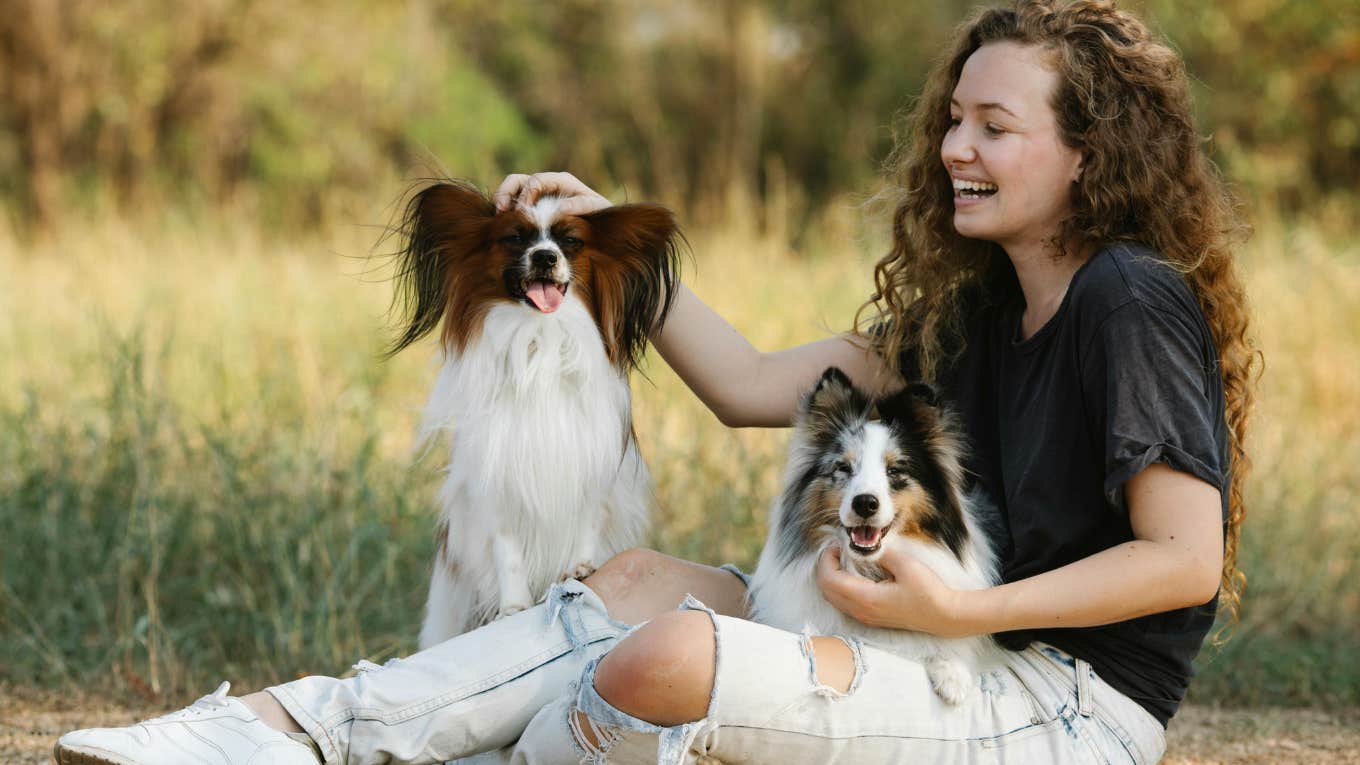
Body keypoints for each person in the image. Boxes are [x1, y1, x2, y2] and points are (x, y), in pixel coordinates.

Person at [55, 1, 1258, 763]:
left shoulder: (1128, 299)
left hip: (1054, 708)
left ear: (1088, 152)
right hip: (919, 643)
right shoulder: (969, 314)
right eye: (953, 118)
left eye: (994, 127)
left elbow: (1181, 559)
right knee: (627, 585)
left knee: (668, 661)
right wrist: (598, 232)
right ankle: (277, 728)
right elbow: (741, 385)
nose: (953, 147)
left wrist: (956, 614)